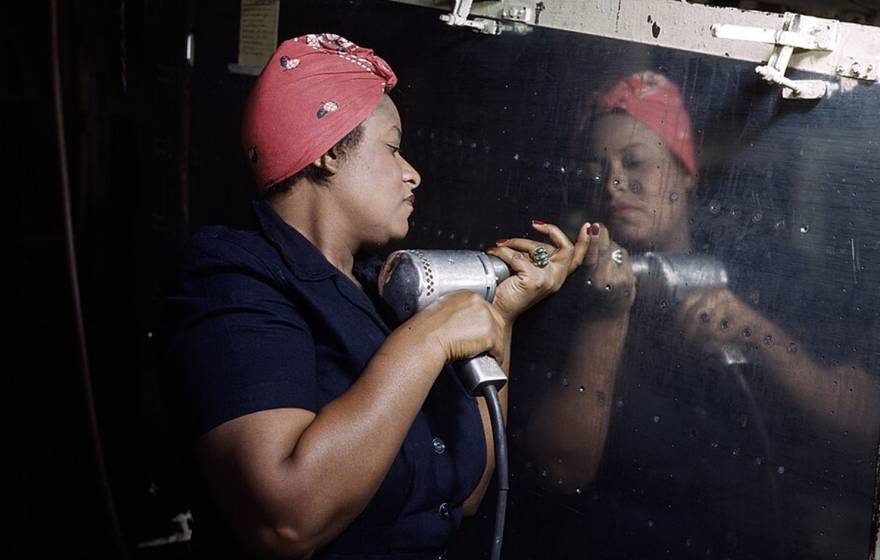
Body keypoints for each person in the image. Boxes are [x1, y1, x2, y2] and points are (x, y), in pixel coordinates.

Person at [169, 33, 591, 559]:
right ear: (327, 152)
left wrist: (498, 317)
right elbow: (285, 521)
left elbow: (467, 494)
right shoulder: (234, 279)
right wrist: (430, 339)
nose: (412, 171)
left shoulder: (379, 291)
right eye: (392, 148)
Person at [523, 71, 880, 557]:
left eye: (636, 162)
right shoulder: (564, 292)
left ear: (686, 172)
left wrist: (758, 334)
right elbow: (560, 469)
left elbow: (861, 428)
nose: (613, 183)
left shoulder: (759, 269)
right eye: (594, 167)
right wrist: (604, 319)